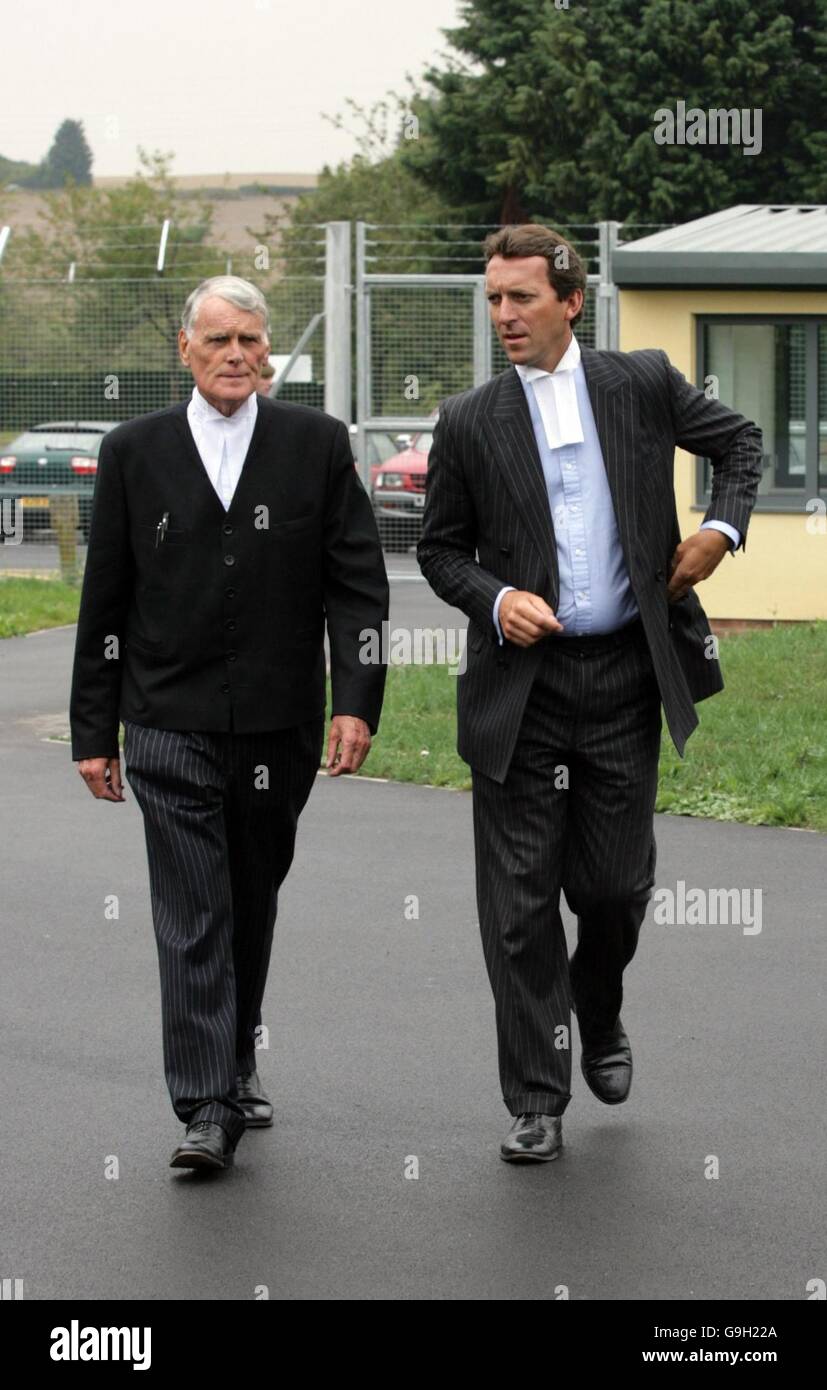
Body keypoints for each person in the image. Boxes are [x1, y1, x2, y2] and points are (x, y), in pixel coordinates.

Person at [417, 225, 762, 1163]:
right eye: (492, 300)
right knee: (518, 904)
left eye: (520, 298)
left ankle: (596, 1005)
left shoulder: (639, 383)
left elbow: (740, 443)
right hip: (518, 691)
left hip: (622, 677)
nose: (503, 316)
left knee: (612, 889)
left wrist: (719, 533)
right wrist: (496, 600)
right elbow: (438, 550)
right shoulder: (468, 419)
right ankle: (536, 1095)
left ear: (570, 301)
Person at [70, 275, 388, 1172]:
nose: (238, 356)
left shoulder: (314, 446)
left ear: (268, 350)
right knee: (191, 911)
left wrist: (355, 699)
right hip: (166, 719)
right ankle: (206, 1105)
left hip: (276, 726)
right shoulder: (135, 451)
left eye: (252, 341)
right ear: (185, 349)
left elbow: (355, 585)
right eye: (219, 341)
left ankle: (237, 1051)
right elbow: (106, 602)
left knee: (249, 901)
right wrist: (94, 730)